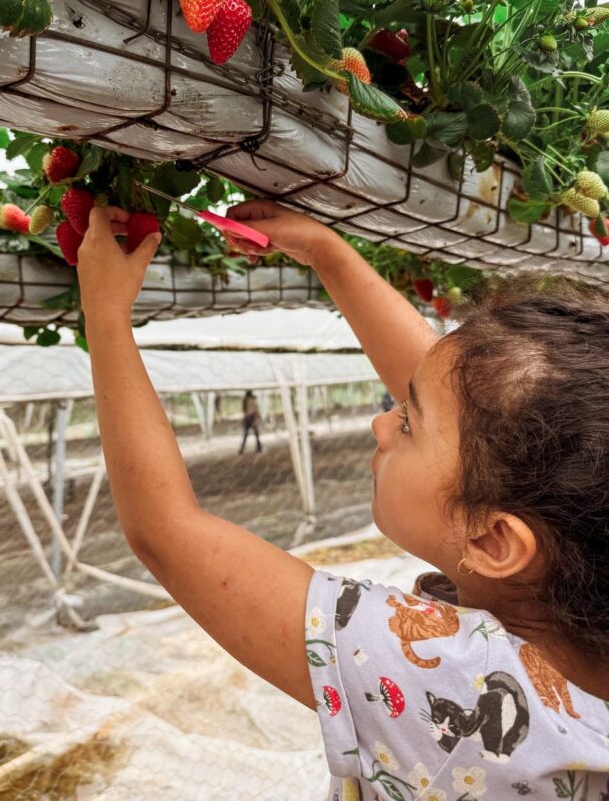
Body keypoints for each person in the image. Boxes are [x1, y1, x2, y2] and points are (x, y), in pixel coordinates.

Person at [77, 199, 609, 797]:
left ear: (492, 540)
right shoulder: (581, 666)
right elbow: (477, 419)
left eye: (407, 422)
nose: (383, 424)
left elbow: (167, 531)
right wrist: (323, 252)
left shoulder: (466, 688)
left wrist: (104, 312)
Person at [239, 390, 262, 454]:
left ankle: (242, 449)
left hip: (246, 417)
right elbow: (256, 409)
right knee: (256, 433)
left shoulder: (245, 400)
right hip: (252, 417)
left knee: (245, 434)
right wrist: (258, 417)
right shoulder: (253, 400)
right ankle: (259, 448)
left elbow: (243, 410)